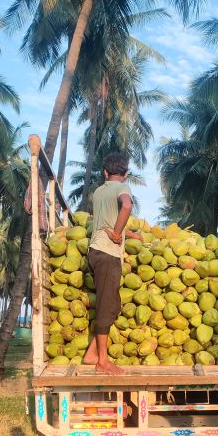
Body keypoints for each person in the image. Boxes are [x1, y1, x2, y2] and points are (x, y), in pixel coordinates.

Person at [83, 152, 140, 374]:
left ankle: (91, 353)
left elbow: (106, 218)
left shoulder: (99, 191)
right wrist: (117, 234)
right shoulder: (123, 189)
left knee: (113, 305)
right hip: (108, 254)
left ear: (105, 173)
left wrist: (127, 234)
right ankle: (102, 361)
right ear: (126, 174)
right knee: (107, 306)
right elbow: (126, 206)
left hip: (95, 252)